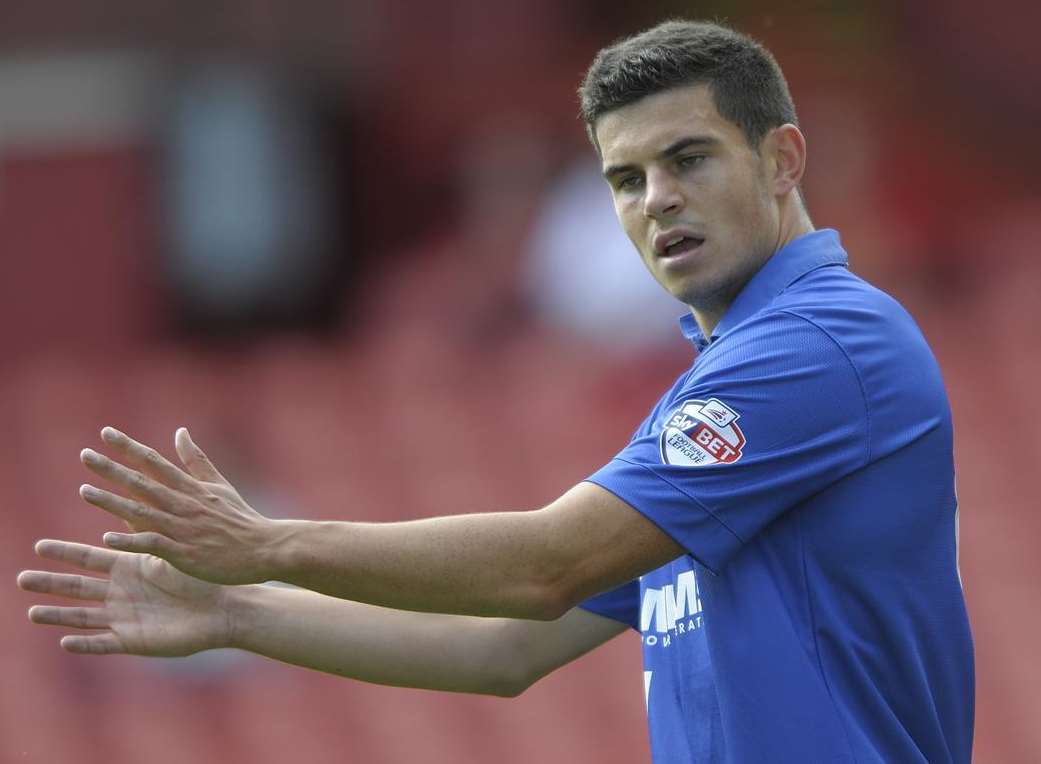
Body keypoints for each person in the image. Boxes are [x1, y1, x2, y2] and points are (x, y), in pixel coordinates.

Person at [17, 19, 974, 764]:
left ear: (782, 160)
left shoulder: (814, 344)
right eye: (625, 177)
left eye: (688, 159)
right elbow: (501, 649)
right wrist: (236, 615)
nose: (656, 201)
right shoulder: (725, 384)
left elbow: (542, 565)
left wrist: (266, 547)